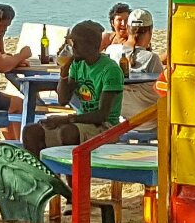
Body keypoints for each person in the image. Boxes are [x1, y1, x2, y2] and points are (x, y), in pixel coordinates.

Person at [31, 20, 123, 151]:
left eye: (76, 43)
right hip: (80, 122)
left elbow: (101, 115)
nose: (73, 47)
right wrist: (63, 75)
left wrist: (65, 119)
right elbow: (63, 100)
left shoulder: (110, 70)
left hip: (105, 126)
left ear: (90, 45)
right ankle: (44, 170)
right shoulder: (77, 65)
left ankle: (73, 171)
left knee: (68, 132)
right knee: (32, 131)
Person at [119, 14, 165, 121]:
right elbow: (161, 91)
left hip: (122, 121)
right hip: (148, 122)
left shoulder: (111, 51)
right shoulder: (152, 58)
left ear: (127, 28)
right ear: (150, 31)